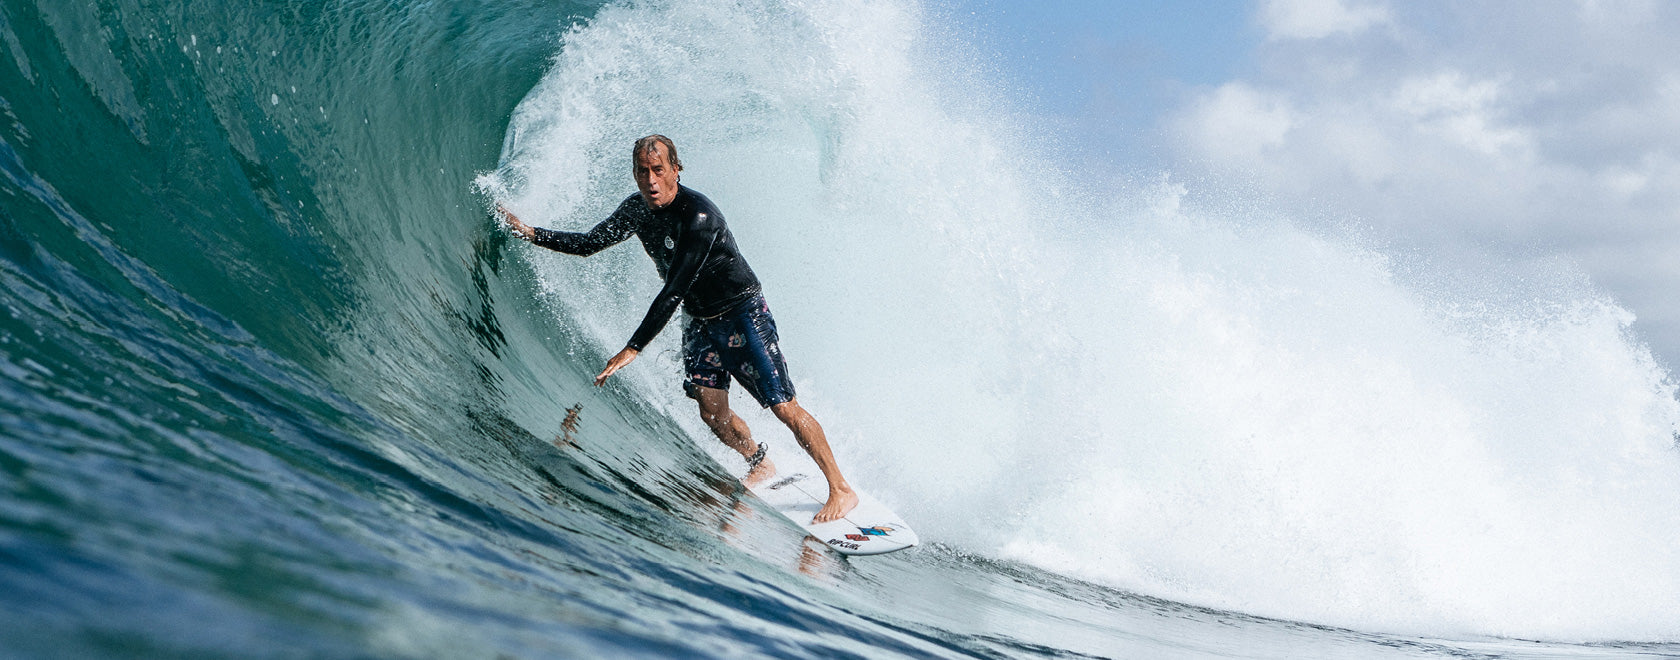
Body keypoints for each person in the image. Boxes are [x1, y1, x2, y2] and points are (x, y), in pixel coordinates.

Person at [496, 135, 859, 523]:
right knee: (711, 412)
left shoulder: (699, 217)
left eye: (658, 170)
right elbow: (589, 244)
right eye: (642, 171)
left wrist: (633, 347)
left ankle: (840, 488)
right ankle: (759, 461)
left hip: (741, 312)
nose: (650, 180)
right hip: (699, 319)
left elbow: (673, 290)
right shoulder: (637, 210)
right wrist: (531, 233)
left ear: (676, 170)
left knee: (783, 406)